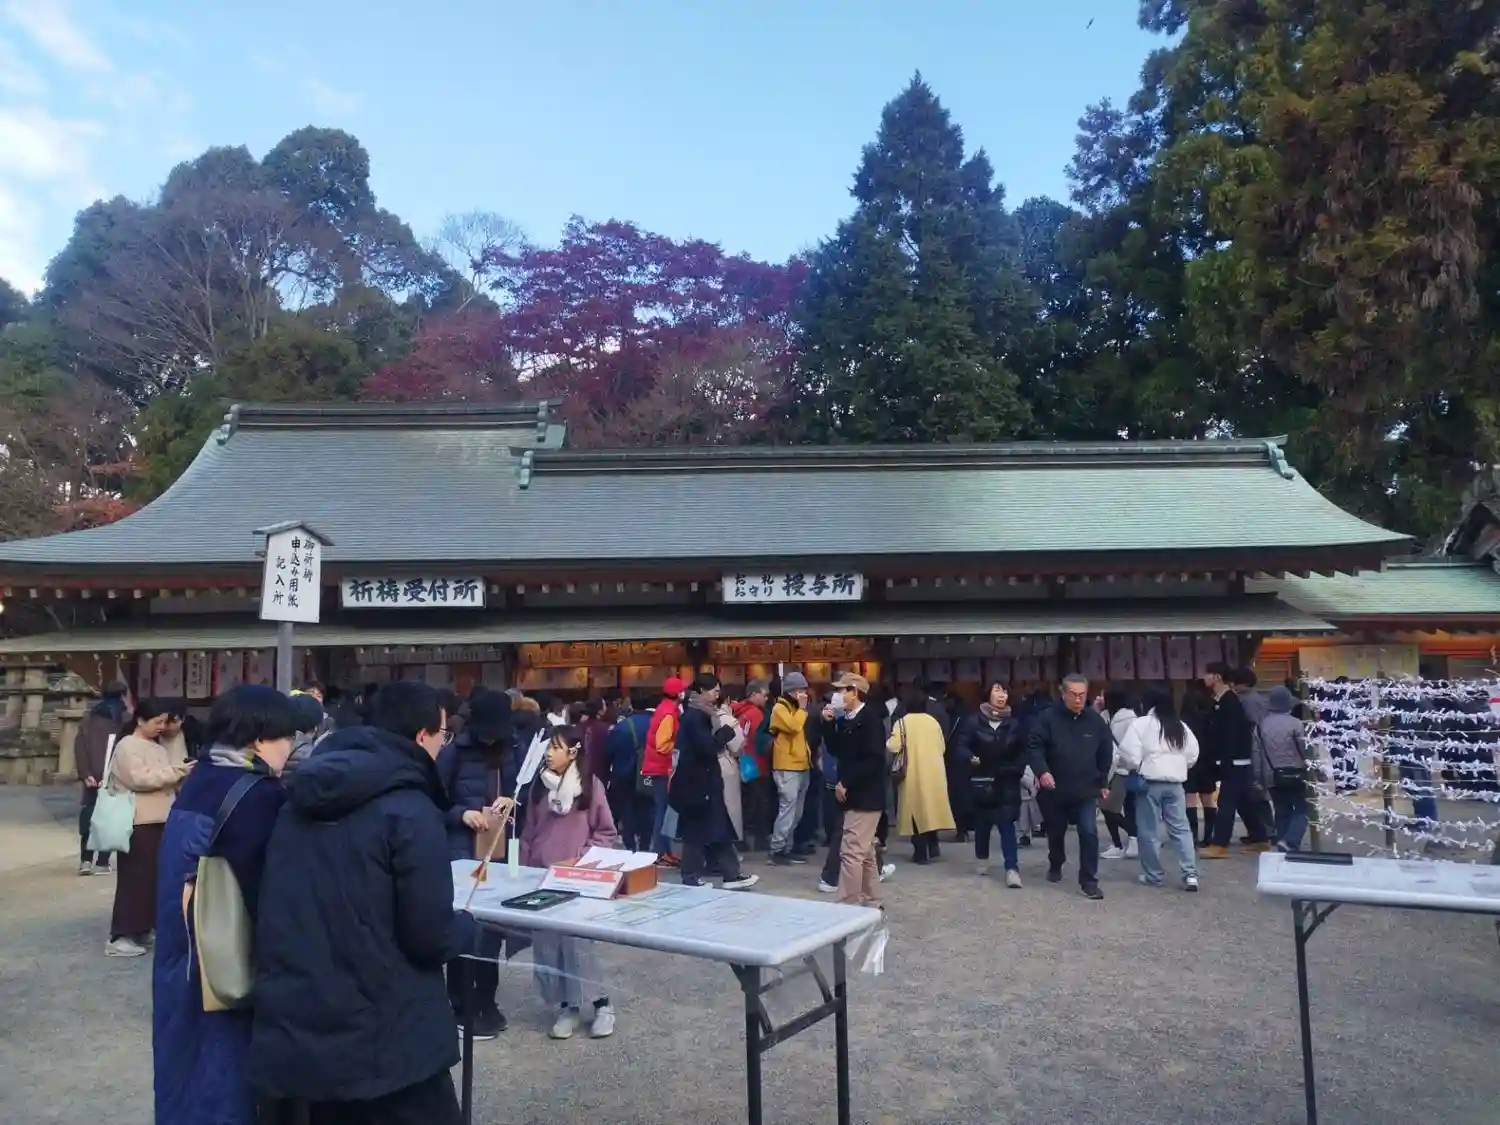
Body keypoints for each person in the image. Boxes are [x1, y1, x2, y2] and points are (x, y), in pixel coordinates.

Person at [247, 680, 477, 1125]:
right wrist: (466, 928)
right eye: (443, 735)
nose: (443, 746)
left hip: (304, 1020)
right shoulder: (410, 808)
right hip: (390, 1033)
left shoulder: (299, 796)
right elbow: (428, 935)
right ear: (421, 737)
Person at [152, 685, 299, 1125]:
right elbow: (267, 891)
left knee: (182, 1061)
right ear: (260, 737)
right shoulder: (259, 794)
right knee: (226, 1067)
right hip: (225, 953)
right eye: (286, 736)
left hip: (181, 947)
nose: (290, 747)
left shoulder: (202, 777)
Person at [520, 725, 621, 1039]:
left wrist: (581, 860)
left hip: (578, 878)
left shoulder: (589, 786)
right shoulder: (538, 788)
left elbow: (605, 832)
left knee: (579, 945)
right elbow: (528, 833)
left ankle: (602, 1004)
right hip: (542, 878)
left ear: (573, 751)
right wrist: (525, 870)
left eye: (556, 747)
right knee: (548, 946)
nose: (549, 753)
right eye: (548, 747)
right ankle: (568, 1007)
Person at [436, 687, 515, 1040]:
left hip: (498, 852)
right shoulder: (453, 754)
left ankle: (486, 1001)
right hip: (461, 852)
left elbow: (525, 793)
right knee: (466, 930)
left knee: (492, 933)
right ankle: (461, 1007)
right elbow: (433, 801)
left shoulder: (512, 750)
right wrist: (461, 814)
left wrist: (512, 801)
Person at [106, 698, 193, 956]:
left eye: (163, 722)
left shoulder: (156, 746)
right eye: (157, 722)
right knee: (135, 879)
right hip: (138, 820)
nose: (161, 727)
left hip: (160, 818)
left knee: (153, 878)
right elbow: (140, 779)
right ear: (140, 720)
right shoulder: (127, 745)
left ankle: (142, 928)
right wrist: (179, 771)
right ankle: (120, 935)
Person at [1026, 674, 1112, 900]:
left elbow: (1105, 752)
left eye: (1082, 694)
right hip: (1054, 788)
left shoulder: (1095, 721)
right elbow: (1034, 747)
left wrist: (1102, 782)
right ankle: (1056, 861)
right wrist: (1042, 771)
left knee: (1089, 832)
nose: (1078, 699)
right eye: (1073, 694)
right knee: (1055, 831)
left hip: (1086, 788)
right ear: (1063, 694)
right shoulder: (1046, 718)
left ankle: (1089, 881)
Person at [670, 673, 760, 891]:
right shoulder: (695, 716)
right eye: (714, 691)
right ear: (702, 691)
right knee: (696, 832)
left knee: (719, 829)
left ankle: (731, 875)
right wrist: (725, 733)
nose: (717, 695)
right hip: (697, 783)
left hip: (707, 781)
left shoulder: (702, 713)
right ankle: (691, 877)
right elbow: (707, 749)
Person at [1117, 684, 1201, 891]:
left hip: (1149, 783)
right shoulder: (1180, 726)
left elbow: (1130, 756)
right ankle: (1190, 874)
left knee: (1148, 830)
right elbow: (1192, 754)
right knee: (1181, 829)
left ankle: (1153, 875)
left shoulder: (1141, 724)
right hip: (1176, 784)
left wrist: (1135, 766)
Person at [950, 680, 1027, 887]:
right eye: (997, 690)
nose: (1001, 695)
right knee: (983, 825)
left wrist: (1017, 769)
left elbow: (1023, 750)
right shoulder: (973, 721)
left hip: (1007, 780)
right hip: (982, 780)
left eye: (1005, 691)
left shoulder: (1014, 723)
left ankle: (1012, 869)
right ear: (988, 694)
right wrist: (970, 757)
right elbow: (961, 745)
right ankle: (982, 857)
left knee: (1007, 824)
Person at [820, 673, 887, 906]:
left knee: (851, 852)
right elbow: (837, 749)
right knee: (864, 852)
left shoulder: (870, 720)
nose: (837, 695)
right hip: (854, 794)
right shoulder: (847, 719)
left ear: (854, 692)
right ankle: (872, 899)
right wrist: (828, 724)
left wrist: (846, 781)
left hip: (866, 795)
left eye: (842, 691)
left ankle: (847, 903)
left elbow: (875, 759)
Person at [1201, 661, 1271, 858]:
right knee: (1244, 802)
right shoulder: (1220, 700)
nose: (1204, 678)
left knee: (1226, 803)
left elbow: (1230, 735)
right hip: (1232, 760)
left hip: (1234, 761)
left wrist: (1224, 761)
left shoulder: (1230, 701)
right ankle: (1260, 838)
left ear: (1217, 677)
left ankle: (1220, 844)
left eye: (1208, 674)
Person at [888, 688, 955, 864]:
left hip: (912, 773)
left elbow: (893, 746)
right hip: (933, 772)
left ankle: (920, 853)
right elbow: (942, 746)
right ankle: (933, 845)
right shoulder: (933, 722)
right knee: (929, 810)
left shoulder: (902, 723)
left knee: (915, 813)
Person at [74, 680, 132, 876]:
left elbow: (80, 746)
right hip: (113, 776)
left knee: (89, 817)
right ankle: (102, 862)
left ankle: (85, 861)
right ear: (123, 695)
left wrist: (85, 773)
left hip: (92, 775)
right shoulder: (125, 719)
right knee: (108, 817)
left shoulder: (90, 717)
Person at [1255, 685, 1315, 852]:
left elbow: (1256, 755)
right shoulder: (1296, 724)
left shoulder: (1260, 726)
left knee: (1281, 810)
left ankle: (1282, 843)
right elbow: (1306, 750)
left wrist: (1258, 778)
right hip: (1296, 773)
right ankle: (1290, 841)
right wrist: (1316, 770)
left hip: (1272, 775)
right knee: (1303, 808)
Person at [769, 672, 813, 865]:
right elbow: (793, 727)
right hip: (786, 766)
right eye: (801, 689)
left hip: (802, 764)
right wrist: (802, 709)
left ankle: (787, 847)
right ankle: (777, 849)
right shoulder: (780, 708)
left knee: (797, 811)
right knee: (787, 809)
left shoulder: (794, 708)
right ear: (792, 690)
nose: (804, 693)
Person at [643, 677, 686, 865]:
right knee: (663, 811)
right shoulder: (669, 714)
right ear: (678, 693)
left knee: (664, 810)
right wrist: (678, 746)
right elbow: (662, 745)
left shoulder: (665, 709)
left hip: (658, 767)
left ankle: (665, 851)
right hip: (662, 768)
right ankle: (660, 852)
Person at [603, 698, 652, 850]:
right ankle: (645, 845)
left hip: (624, 775)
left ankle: (630, 845)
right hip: (650, 775)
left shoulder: (622, 727)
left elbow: (608, 752)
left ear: (632, 706)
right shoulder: (658, 725)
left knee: (627, 812)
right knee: (648, 811)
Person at [732, 680, 774, 851]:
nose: (766, 699)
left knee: (746, 803)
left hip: (744, 761)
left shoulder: (740, 712)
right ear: (754, 694)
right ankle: (760, 840)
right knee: (760, 803)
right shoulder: (757, 714)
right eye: (764, 695)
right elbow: (760, 740)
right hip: (757, 763)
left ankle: (741, 838)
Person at [1100, 685, 1140, 860]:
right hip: (1117, 769)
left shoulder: (1127, 719)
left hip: (1121, 770)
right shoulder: (1106, 715)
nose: (1100, 698)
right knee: (1119, 808)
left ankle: (1127, 841)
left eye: (1103, 695)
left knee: (1109, 808)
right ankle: (1130, 841)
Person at [1181, 681, 1218, 845]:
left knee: (1190, 799)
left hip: (1189, 764)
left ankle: (1193, 836)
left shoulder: (1183, 722)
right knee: (1208, 799)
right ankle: (1209, 836)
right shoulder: (1210, 718)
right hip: (1207, 762)